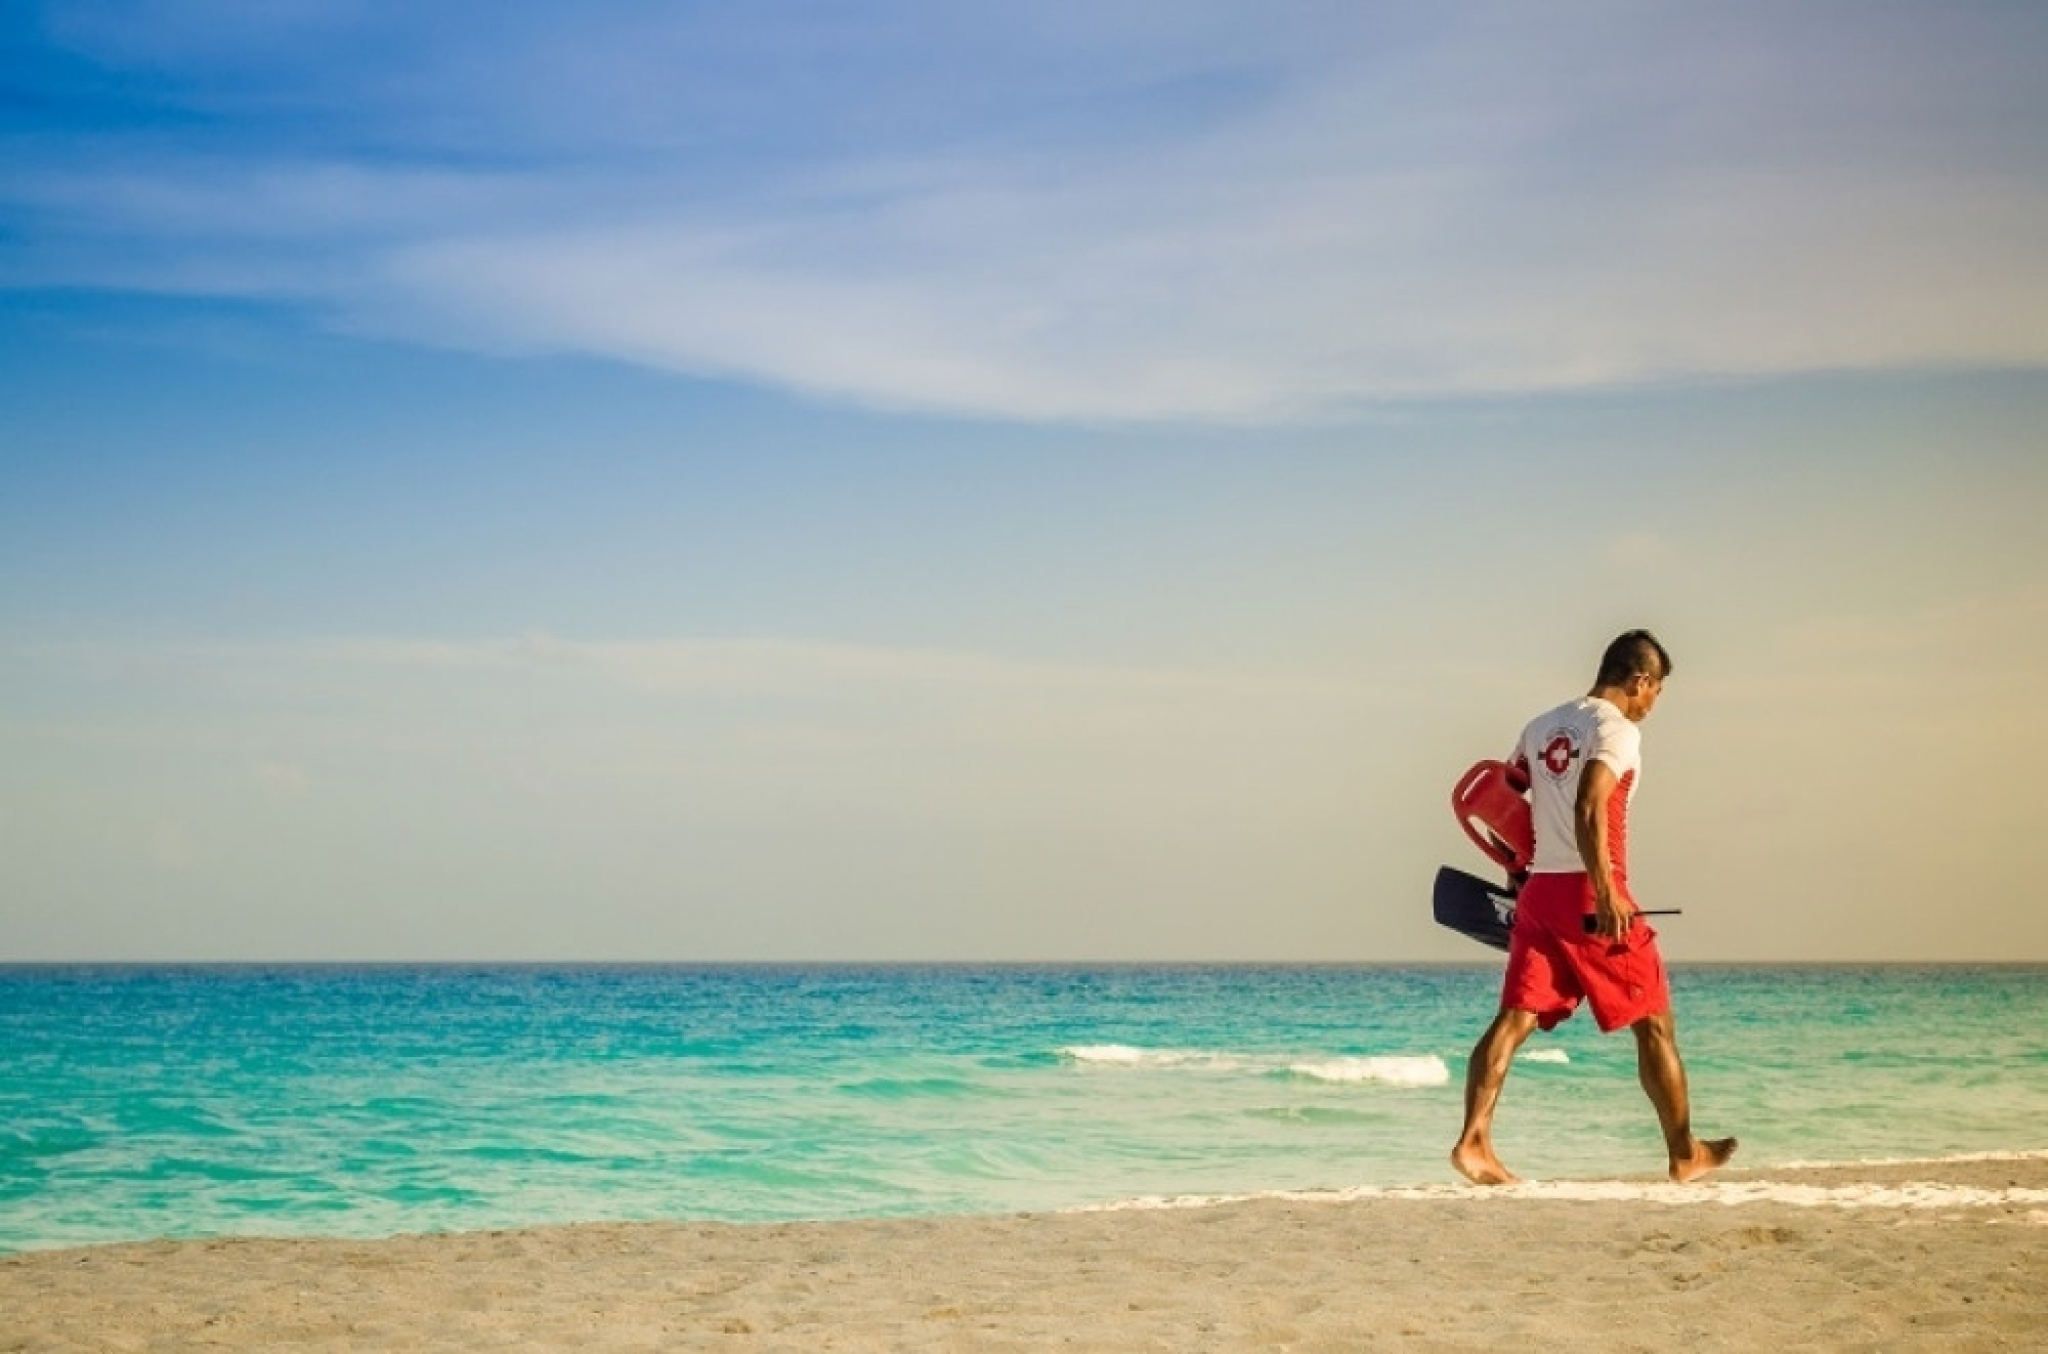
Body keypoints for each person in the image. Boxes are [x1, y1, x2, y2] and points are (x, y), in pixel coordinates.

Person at [1450, 629, 1737, 1186]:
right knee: (1653, 1021)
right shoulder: (1617, 730)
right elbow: (1588, 804)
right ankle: (1685, 1154)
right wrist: (1607, 893)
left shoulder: (1540, 727)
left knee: (1514, 1019)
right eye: (1656, 693)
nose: (1652, 706)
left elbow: (1505, 802)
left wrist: (1516, 873)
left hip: (1540, 894)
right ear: (1640, 680)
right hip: (1591, 890)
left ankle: (1474, 1142)